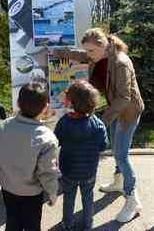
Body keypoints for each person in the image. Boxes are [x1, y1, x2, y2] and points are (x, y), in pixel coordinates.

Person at [54, 28, 144, 223]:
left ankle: (132, 200)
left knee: (121, 155)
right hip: (115, 108)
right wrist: (56, 52)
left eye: (91, 51)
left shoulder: (121, 63)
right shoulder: (98, 55)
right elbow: (78, 54)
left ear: (103, 46)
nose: (88, 56)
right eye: (87, 51)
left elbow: (124, 98)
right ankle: (119, 182)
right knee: (117, 151)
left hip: (127, 112)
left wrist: (100, 122)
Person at [0, 82, 59, 231]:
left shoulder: (2, 126)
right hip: (32, 194)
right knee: (32, 225)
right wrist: (52, 192)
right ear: (45, 107)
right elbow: (48, 172)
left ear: (18, 103)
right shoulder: (47, 137)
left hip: (8, 188)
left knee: (12, 220)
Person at [55, 80, 108, 231]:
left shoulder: (64, 122)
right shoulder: (98, 124)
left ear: (72, 102)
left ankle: (68, 223)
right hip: (89, 171)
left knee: (69, 197)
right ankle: (87, 224)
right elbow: (103, 146)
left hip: (69, 170)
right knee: (88, 197)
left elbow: (55, 142)